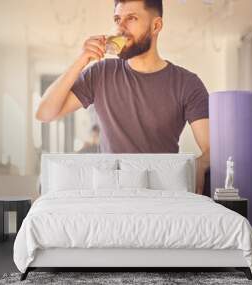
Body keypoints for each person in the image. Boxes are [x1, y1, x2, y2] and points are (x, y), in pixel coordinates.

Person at [35, 0, 210, 194]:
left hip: (162, 194)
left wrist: (200, 164)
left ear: (156, 25)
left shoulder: (187, 83)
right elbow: (44, 113)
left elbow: (212, 150)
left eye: (131, 18)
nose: (120, 27)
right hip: (110, 193)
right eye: (118, 19)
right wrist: (81, 60)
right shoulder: (100, 73)